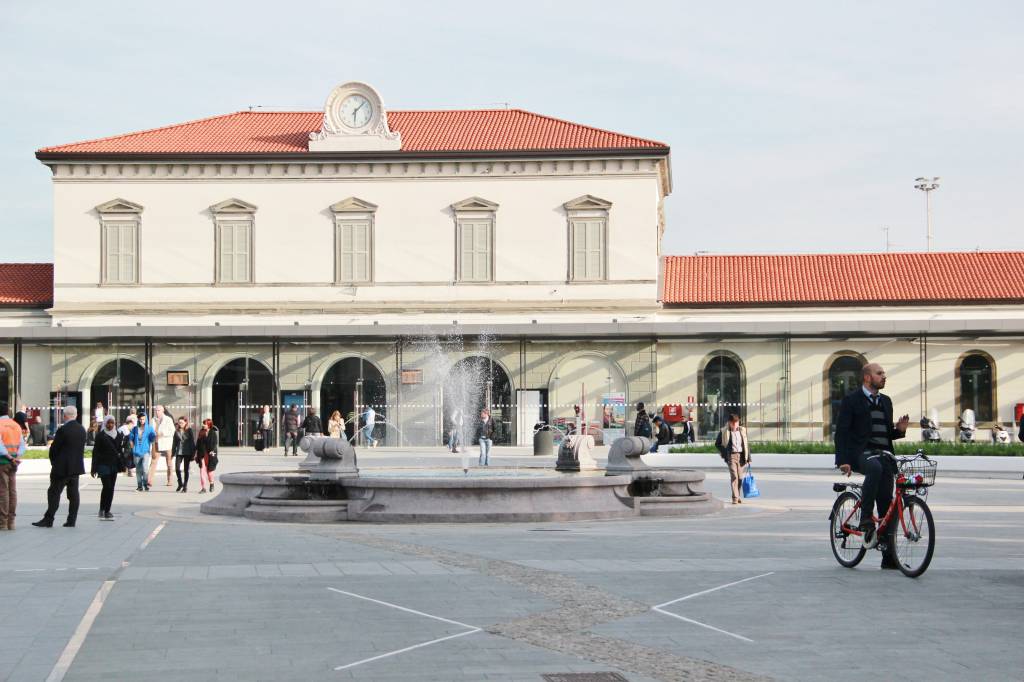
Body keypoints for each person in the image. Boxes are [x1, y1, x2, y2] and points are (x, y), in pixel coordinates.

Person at [834, 362, 909, 567]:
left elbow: (885, 433)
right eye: (879, 373)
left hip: (885, 456)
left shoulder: (886, 401)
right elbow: (842, 432)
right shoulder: (851, 400)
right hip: (862, 454)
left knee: (887, 504)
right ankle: (866, 518)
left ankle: (889, 557)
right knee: (874, 467)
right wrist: (843, 460)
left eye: (884, 373)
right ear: (867, 377)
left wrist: (899, 430)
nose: (884, 376)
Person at [32, 406, 86, 528]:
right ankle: (71, 520)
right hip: (75, 468)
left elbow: (54, 449)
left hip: (61, 469)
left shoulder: (63, 430)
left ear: (65, 415)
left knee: (53, 493)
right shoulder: (82, 429)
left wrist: (54, 462)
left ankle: (49, 519)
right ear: (76, 415)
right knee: (73, 495)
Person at [91, 416, 123, 520]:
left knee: (111, 488)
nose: (110, 425)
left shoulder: (118, 435)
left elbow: (120, 451)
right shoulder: (101, 435)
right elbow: (95, 452)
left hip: (114, 464)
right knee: (107, 486)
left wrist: (123, 464)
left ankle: (106, 509)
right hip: (103, 464)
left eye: (112, 423)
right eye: (108, 423)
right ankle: (103, 509)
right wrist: (94, 468)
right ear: (105, 423)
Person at [0, 401, 26, 530]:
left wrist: (8, 456)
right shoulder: (15, 425)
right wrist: (16, 457)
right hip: (14, 463)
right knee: (13, 491)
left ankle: (3, 522)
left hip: (2, 462)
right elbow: (22, 445)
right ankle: (11, 522)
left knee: (3, 492)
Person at [715, 413, 751, 504]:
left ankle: (737, 495)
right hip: (731, 456)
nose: (735, 424)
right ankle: (735, 498)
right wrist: (725, 452)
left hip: (742, 457)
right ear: (729, 423)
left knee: (740, 477)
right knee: (734, 476)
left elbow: (746, 445)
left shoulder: (742, 430)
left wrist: (748, 458)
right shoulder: (724, 431)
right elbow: (717, 444)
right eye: (733, 423)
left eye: (737, 422)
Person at [150, 405, 175, 488]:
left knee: (168, 462)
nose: (157, 412)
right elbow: (150, 430)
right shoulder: (153, 420)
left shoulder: (168, 419)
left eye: (159, 410)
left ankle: (170, 480)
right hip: (156, 442)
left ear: (163, 411)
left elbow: (172, 431)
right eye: (156, 410)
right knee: (153, 461)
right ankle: (149, 480)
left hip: (166, 442)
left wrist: (162, 433)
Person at [130, 412, 156, 491]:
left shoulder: (149, 428)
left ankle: (145, 484)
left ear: (146, 419)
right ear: (138, 419)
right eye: (140, 419)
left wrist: (153, 450)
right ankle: (139, 486)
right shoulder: (135, 428)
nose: (142, 421)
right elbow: (131, 438)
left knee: (145, 469)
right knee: (138, 470)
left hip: (145, 451)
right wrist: (133, 448)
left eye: (143, 419)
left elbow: (153, 439)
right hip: (136, 451)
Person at [172, 416, 196, 492]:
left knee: (186, 470)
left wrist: (193, 454)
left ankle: (185, 486)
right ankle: (180, 483)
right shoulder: (176, 431)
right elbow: (174, 443)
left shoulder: (189, 430)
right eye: (179, 423)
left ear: (186, 423)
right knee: (177, 469)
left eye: (182, 423)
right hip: (179, 452)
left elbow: (192, 442)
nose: (180, 424)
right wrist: (172, 453)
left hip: (187, 452)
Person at [196, 418, 219, 494]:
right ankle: (203, 488)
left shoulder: (213, 433)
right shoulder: (201, 432)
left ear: (209, 425)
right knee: (202, 471)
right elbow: (198, 443)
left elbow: (214, 444)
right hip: (202, 454)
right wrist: (196, 453)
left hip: (210, 455)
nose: (203, 425)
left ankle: (211, 483)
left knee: (209, 472)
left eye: (205, 424)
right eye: (203, 423)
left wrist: (212, 451)